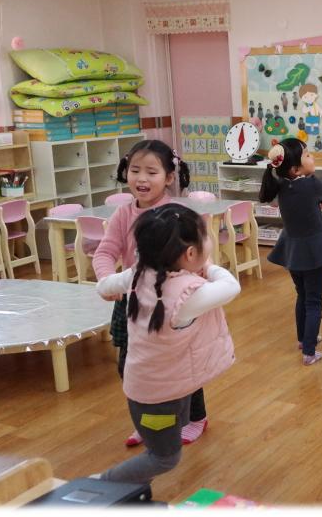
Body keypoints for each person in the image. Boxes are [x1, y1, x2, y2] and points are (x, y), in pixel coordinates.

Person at [94, 204, 239, 484]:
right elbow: (231, 286)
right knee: (163, 458)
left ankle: (130, 491)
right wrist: (209, 267)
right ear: (191, 254)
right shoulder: (187, 296)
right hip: (158, 400)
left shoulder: (137, 273)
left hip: (155, 387)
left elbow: (103, 286)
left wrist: (107, 289)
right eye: (206, 237)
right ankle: (103, 485)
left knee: (165, 439)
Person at [94, 140, 211, 446]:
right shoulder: (123, 214)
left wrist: (200, 278)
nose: (141, 179)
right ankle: (149, 424)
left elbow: (198, 254)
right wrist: (107, 279)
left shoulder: (178, 214)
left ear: (169, 177)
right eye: (135, 170)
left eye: (151, 172)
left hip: (173, 302)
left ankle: (195, 417)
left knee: (179, 363)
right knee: (132, 366)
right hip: (133, 302)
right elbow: (105, 252)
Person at [260, 138, 322, 365]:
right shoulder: (311, 184)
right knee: (314, 300)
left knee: (302, 295)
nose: (312, 157)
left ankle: (303, 339)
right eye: (307, 155)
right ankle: (309, 351)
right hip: (312, 251)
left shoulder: (282, 185)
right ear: (295, 169)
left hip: (291, 250)